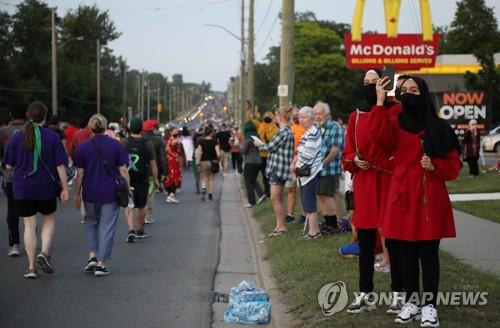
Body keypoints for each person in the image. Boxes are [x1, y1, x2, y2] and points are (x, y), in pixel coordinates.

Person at [371, 75, 461, 327]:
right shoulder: (394, 122)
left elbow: (454, 166)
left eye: (414, 89)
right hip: (402, 194)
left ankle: (429, 306)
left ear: (423, 93)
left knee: (428, 253)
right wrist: (380, 100)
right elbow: (379, 139)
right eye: (404, 89)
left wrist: (434, 165)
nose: (409, 93)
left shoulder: (439, 127)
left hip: (428, 194)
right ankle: (411, 302)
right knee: (405, 253)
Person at [342, 69, 400, 314]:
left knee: (395, 240)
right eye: (365, 82)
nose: (369, 85)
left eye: (374, 81)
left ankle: (400, 294)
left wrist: (379, 103)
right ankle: (365, 292)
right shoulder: (355, 116)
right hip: (365, 182)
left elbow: (387, 139)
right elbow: (347, 152)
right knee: (365, 241)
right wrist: (354, 159)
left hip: (387, 180)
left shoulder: (396, 111)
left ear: (384, 83)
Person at [3, 101, 69, 278]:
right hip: (46, 185)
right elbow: (61, 166)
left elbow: (8, 165)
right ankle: (44, 253)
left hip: (23, 187)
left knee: (29, 226)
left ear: (28, 115)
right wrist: (64, 188)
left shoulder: (18, 137)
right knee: (48, 220)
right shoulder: (53, 136)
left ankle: (31, 268)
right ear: (45, 116)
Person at [73, 114, 130, 277]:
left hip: (90, 192)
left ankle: (91, 256)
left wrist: (77, 194)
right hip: (110, 192)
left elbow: (80, 174)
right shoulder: (116, 146)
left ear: (90, 128)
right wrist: (128, 187)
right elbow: (123, 170)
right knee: (107, 226)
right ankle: (101, 264)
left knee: (90, 223)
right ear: (106, 128)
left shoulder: (83, 148)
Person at [254, 107, 294, 237]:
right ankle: (279, 225)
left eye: (277, 116)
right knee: (276, 198)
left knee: (275, 198)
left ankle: (281, 226)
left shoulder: (282, 132)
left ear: (280, 118)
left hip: (278, 168)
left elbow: (269, 147)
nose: (275, 119)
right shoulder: (287, 131)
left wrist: (258, 144)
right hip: (280, 168)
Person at [122, 117, 158, 241]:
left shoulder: (124, 142)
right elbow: (153, 164)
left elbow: (119, 163)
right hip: (143, 178)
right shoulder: (147, 143)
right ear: (141, 128)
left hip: (127, 178)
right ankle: (140, 230)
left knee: (129, 204)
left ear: (130, 128)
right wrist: (156, 179)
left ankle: (131, 228)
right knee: (141, 205)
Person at [290, 106, 323, 239]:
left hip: (311, 173)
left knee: (309, 202)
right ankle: (313, 230)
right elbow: (300, 151)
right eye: (300, 117)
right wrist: (294, 163)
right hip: (305, 173)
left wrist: (295, 168)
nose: (301, 120)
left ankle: (314, 232)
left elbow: (307, 155)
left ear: (311, 118)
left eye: (304, 117)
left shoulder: (313, 132)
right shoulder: (306, 132)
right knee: (306, 202)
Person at [313, 101, 344, 235]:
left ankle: (333, 225)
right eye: (316, 114)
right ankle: (327, 221)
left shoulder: (334, 126)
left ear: (327, 114)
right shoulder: (318, 128)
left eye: (320, 114)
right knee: (320, 195)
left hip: (330, 168)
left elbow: (335, 150)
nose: (318, 116)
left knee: (327, 196)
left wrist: (322, 164)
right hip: (318, 169)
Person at [0, 105, 26, 257]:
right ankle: (31, 240)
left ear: (10, 114)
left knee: (12, 211)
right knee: (30, 212)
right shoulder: (31, 130)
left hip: (11, 176)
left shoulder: (3, 131)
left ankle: (14, 244)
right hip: (29, 176)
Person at [143, 119, 167, 224]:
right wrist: (165, 172)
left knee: (140, 194)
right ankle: (147, 215)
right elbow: (163, 158)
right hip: (152, 172)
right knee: (150, 194)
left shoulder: (138, 140)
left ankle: (139, 214)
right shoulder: (158, 141)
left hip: (139, 172)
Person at [285, 107, 304, 224]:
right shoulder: (290, 129)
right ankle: (290, 214)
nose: (297, 116)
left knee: (303, 190)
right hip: (290, 163)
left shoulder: (306, 129)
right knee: (291, 190)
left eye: (299, 114)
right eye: (295, 114)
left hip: (302, 163)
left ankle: (304, 214)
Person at [241, 121, 266, 208]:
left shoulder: (247, 138)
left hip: (250, 162)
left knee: (248, 181)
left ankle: (251, 202)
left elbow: (243, 150)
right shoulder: (257, 137)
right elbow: (262, 147)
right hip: (258, 161)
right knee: (253, 179)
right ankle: (261, 194)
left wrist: (238, 145)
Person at [196, 125, 220, 201]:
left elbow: (199, 152)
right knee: (211, 179)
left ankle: (203, 190)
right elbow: (218, 154)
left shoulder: (201, 141)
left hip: (203, 161)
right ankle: (210, 194)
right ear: (211, 133)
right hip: (213, 161)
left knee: (204, 177)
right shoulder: (214, 141)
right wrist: (217, 160)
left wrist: (198, 162)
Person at [258, 112, 279, 197]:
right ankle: (267, 191)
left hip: (271, 154)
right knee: (265, 175)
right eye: (266, 116)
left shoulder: (275, 127)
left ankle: (270, 191)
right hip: (263, 155)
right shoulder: (261, 126)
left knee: (270, 175)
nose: (267, 117)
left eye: (269, 116)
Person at [164, 128, 182, 203]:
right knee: (174, 177)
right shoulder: (173, 140)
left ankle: (170, 195)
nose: (176, 133)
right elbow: (173, 145)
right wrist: (177, 141)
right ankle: (171, 194)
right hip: (173, 161)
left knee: (171, 177)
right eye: (174, 131)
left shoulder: (169, 140)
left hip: (171, 160)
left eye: (177, 131)